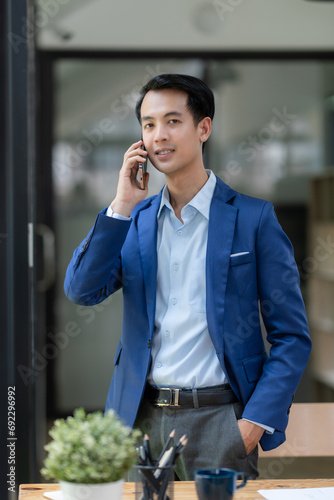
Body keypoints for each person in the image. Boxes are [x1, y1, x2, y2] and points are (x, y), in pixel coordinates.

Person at [64, 74, 312, 480]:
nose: (158, 135)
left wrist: (251, 426)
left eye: (173, 121)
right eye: (148, 124)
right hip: (139, 420)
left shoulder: (253, 219)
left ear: (203, 128)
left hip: (222, 420)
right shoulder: (133, 220)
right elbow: (81, 289)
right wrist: (122, 205)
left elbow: (292, 335)